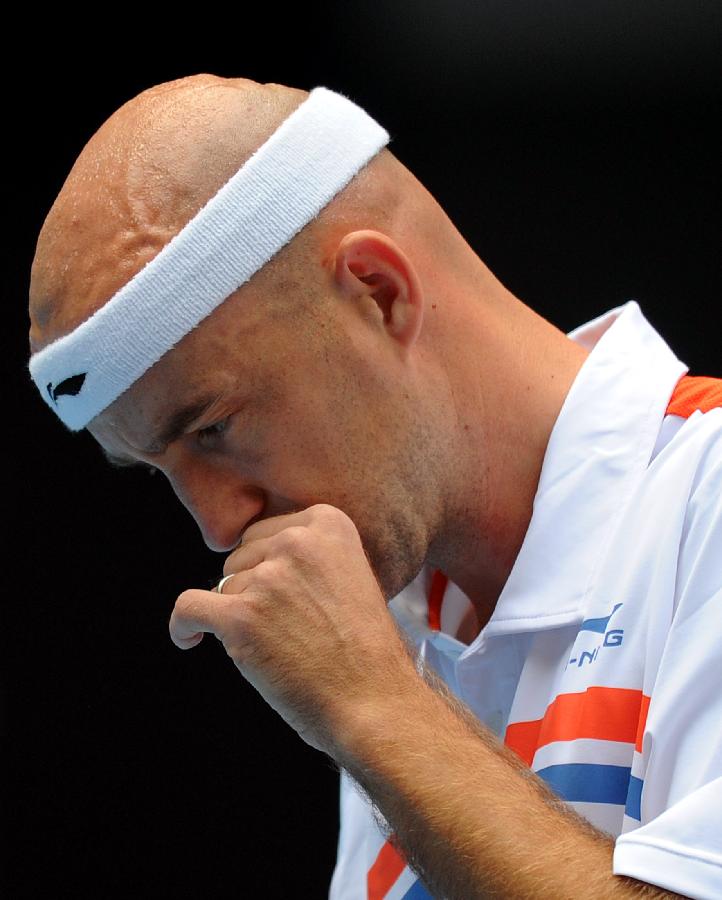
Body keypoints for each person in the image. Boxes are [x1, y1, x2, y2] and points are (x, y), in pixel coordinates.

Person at [27, 74, 721, 899]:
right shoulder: (399, 623)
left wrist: (377, 711)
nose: (215, 527)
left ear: (379, 292)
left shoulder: (702, 494)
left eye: (213, 427)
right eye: (158, 471)